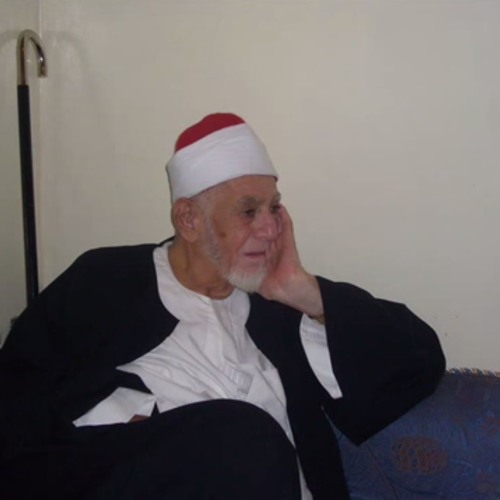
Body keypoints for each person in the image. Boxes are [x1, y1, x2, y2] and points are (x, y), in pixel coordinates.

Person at [0, 113, 445, 499]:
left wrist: (306, 292)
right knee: (243, 436)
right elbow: (18, 402)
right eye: (249, 212)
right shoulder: (105, 283)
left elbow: (421, 363)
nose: (269, 229)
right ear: (189, 220)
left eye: (274, 209)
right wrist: (121, 424)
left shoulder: (280, 310)